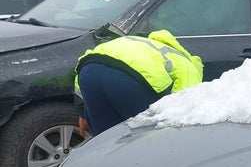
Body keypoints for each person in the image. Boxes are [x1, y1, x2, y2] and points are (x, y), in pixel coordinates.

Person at [74, 29, 203, 136]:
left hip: (88, 71)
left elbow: (91, 67)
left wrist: (82, 112)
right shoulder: (188, 66)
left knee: (106, 140)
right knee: (148, 136)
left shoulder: (143, 43)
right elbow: (183, 104)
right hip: (126, 80)